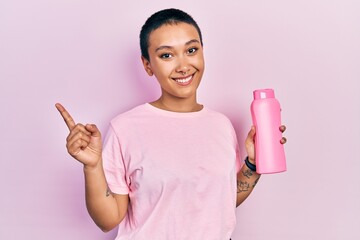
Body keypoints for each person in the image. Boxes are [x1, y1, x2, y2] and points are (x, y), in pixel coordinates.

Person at [55, 8, 287, 240]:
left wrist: (254, 163)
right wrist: (92, 167)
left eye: (191, 50)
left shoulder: (221, 125)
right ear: (147, 65)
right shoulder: (125, 128)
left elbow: (219, 204)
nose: (183, 65)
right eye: (167, 55)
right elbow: (108, 221)